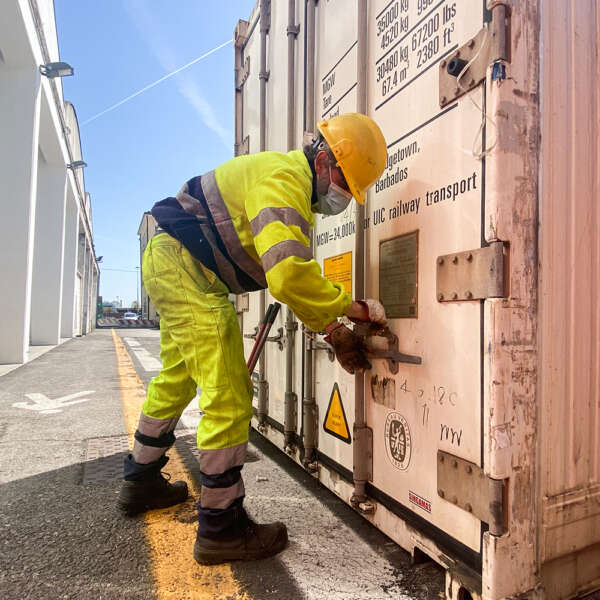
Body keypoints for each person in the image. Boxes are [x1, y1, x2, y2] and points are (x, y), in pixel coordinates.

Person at [117, 113, 388, 565]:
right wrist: (356, 310)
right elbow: (287, 278)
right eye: (344, 179)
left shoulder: (286, 185)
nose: (344, 195)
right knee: (228, 394)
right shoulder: (285, 181)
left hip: (171, 262)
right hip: (188, 270)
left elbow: (292, 280)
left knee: (178, 379)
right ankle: (221, 528)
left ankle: (140, 481)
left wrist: (333, 330)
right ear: (322, 160)